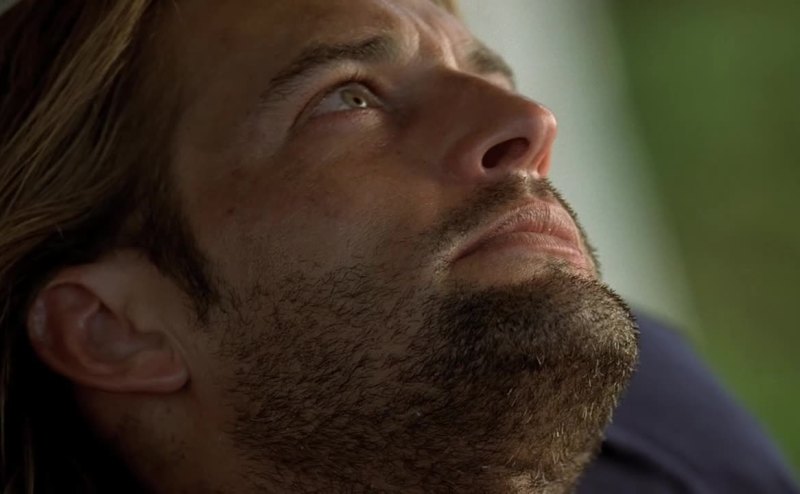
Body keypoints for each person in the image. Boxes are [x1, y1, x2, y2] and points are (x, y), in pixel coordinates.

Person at [0, 1, 795, 493]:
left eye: (491, 77)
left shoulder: (659, 417)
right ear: (114, 330)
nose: (530, 124)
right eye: (347, 97)